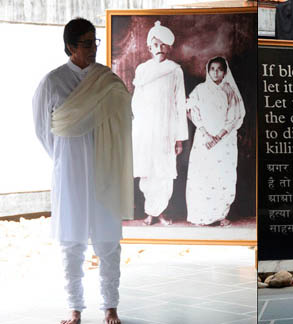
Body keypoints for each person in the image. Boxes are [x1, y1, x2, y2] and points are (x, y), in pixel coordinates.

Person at [33, 18, 133, 324]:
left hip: (105, 169)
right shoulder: (52, 82)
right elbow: (43, 130)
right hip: (69, 173)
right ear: (70, 46)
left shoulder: (108, 80)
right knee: (71, 242)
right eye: (87, 43)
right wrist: (67, 157)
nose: (93, 49)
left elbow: (127, 116)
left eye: (94, 42)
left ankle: (110, 306)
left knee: (108, 242)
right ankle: (74, 307)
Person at [132, 21, 188, 226]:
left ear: (170, 47)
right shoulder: (142, 70)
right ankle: (150, 212)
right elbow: (136, 101)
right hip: (147, 128)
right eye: (155, 45)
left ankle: (161, 211)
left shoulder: (175, 70)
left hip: (167, 128)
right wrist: (139, 128)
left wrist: (179, 138)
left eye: (164, 45)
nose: (160, 49)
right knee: (148, 170)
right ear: (149, 48)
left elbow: (179, 103)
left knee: (164, 171)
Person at [185, 56, 245, 226]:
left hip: (224, 140)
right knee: (202, 174)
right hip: (204, 139)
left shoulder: (230, 91)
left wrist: (218, 136)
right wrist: (206, 134)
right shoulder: (200, 89)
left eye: (219, 69)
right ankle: (200, 215)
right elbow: (191, 111)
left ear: (225, 72)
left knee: (222, 174)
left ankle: (221, 214)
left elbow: (234, 116)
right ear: (208, 70)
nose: (216, 72)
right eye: (212, 69)